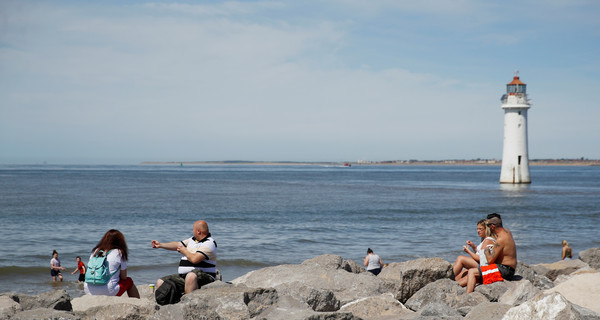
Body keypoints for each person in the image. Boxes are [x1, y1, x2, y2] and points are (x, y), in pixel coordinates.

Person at [151, 220, 217, 297]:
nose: (192, 231)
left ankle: (188, 302)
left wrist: (184, 251)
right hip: (184, 276)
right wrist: (160, 245)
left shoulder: (209, 243)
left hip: (205, 276)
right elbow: (177, 244)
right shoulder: (192, 240)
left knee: (190, 276)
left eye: (193, 229)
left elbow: (195, 259)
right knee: (161, 282)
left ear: (198, 231)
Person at [466, 213, 517, 293]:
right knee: (477, 272)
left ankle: (467, 296)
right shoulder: (507, 232)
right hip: (509, 268)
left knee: (471, 272)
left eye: (488, 226)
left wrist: (486, 250)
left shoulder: (500, 239)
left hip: (505, 270)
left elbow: (490, 260)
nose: (488, 229)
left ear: (493, 226)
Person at [84, 229, 140, 298]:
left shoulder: (96, 251)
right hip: (108, 291)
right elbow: (124, 277)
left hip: (88, 289)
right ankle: (137, 303)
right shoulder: (119, 253)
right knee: (129, 281)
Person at [453, 219, 496, 287]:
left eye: (480, 229)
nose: (478, 231)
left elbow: (480, 258)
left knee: (460, 258)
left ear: (486, 229)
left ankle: (448, 277)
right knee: (465, 272)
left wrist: (468, 251)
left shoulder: (488, 240)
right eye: (477, 229)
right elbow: (481, 253)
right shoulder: (485, 239)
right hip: (482, 264)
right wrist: (473, 247)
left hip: (484, 265)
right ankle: (452, 283)